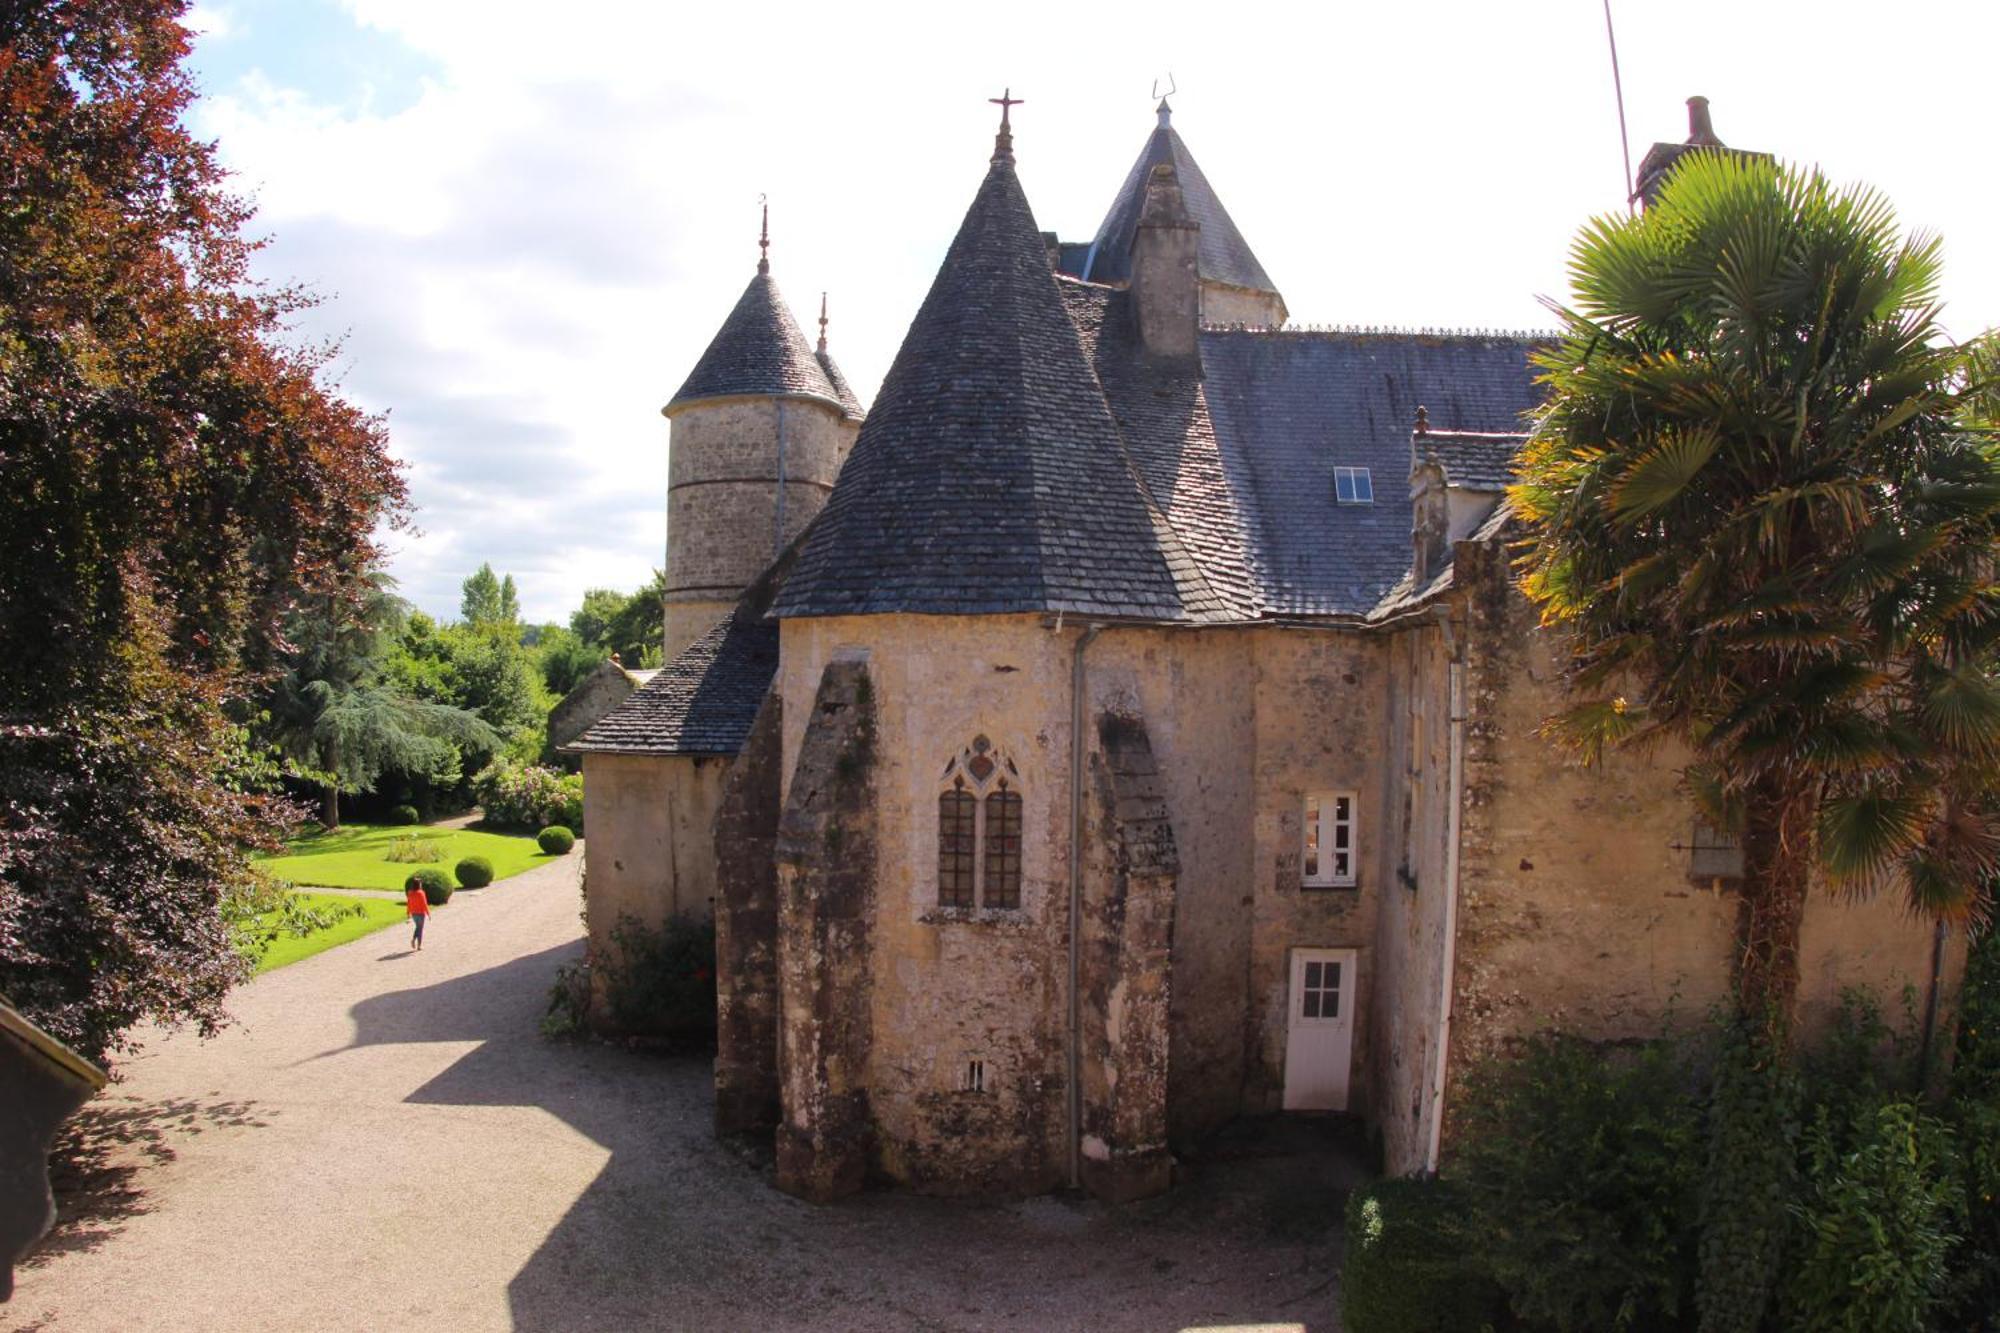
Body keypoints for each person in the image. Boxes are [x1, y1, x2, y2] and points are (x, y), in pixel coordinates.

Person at [405, 875, 430, 951]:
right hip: (421, 913)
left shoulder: (410, 893)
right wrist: (428, 913)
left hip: (413, 913)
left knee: (418, 927)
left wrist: (408, 913)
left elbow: (408, 903)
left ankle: (414, 940)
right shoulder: (421, 893)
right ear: (419, 885)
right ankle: (418, 945)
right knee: (420, 928)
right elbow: (424, 903)